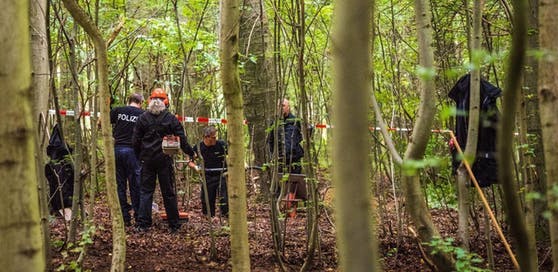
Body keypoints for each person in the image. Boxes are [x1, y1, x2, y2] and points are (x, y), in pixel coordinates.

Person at [132, 88, 195, 233]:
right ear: (165, 102)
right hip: (164, 160)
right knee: (168, 192)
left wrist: (139, 157)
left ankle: (143, 224)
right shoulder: (171, 119)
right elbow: (182, 138)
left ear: (150, 101)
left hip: (147, 160)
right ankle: (174, 224)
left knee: (146, 191)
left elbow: (135, 141)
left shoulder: (143, 118)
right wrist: (190, 152)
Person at [110, 93, 144, 226]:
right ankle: (138, 216)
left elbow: (102, 122)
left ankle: (124, 217)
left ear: (128, 101)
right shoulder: (142, 114)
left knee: (120, 185)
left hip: (117, 150)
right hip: (133, 152)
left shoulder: (118, 111)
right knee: (135, 184)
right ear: (140, 102)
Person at [191, 126, 229, 218]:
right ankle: (209, 218)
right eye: (213, 137)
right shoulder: (199, 147)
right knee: (207, 199)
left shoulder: (221, 144)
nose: (215, 139)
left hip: (222, 175)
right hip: (207, 176)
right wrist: (196, 167)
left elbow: (232, 155)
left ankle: (226, 217)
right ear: (206, 137)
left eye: (216, 137)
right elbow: (189, 161)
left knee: (225, 199)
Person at [267, 98, 304, 174]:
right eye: (278, 106)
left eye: (283, 106)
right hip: (279, 162)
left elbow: (292, 141)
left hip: (293, 161)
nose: (280, 108)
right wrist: (273, 157)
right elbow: (271, 141)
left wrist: (282, 156)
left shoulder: (294, 121)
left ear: (288, 107)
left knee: (294, 184)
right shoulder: (274, 123)